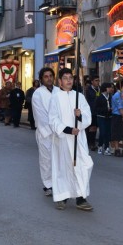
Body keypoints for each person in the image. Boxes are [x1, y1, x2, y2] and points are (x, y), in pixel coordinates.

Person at [48, 68, 93, 211]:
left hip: (78, 138)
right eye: (65, 78)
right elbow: (53, 119)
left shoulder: (79, 96)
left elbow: (88, 116)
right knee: (64, 168)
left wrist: (79, 116)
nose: (68, 80)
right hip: (62, 138)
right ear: (60, 81)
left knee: (84, 165)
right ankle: (63, 197)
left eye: (70, 78)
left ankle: (81, 197)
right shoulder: (55, 98)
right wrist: (67, 129)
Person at [32, 68, 56, 196]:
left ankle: (58, 183)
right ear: (41, 79)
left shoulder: (59, 91)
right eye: (46, 76)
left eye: (51, 76)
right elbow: (40, 115)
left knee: (58, 160)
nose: (49, 78)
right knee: (46, 160)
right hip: (45, 132)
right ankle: (48, 185)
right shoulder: (38, 94)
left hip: (60, 132)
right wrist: (53, 128)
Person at [95, 82, 113, 156]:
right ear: (106, 88)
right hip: (101, 117)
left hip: (109, 117)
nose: (111, 89)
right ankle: (102, 147)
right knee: (103, 132)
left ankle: (104, 147)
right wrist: (106, 109)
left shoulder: (111, 96)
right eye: (110, 87)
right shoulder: (99, 96)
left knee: (108, 132)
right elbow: (96, 108)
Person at [85, 76, 100, 151]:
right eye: (96, 80)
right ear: (92, 82)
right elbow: (92, 97)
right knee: (91, 128)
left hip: (98, 111)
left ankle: (92, 141)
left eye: (98, 80)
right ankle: (90, 143)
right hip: (91, 111)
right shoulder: (89, 90)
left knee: (95, 128)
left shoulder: (99, 89)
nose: (97, 82)